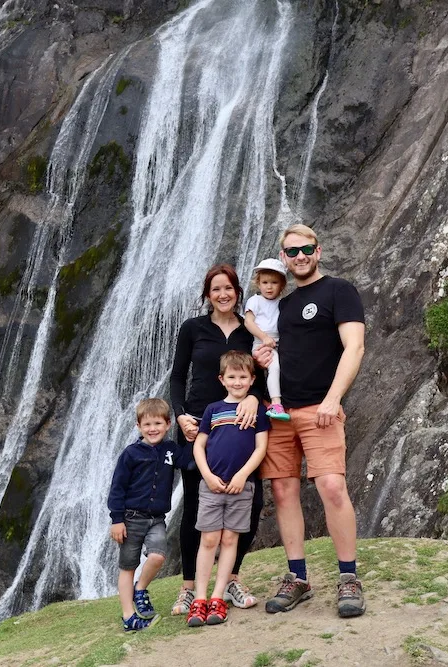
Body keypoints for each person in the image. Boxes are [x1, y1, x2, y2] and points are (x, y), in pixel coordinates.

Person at [253, 223, 367, 619]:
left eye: (306, 249)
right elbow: (273, 353)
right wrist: (261, 359)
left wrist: (334, 400)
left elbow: (355, 346)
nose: (299, 256)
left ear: (318, 251)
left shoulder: (339, 291)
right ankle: (297, 577)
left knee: (333, 487)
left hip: (322, 410)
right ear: (283, 258)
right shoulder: (280, 305)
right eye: (292, 251)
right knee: (283, 492)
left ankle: (349, 577)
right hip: (279, 411)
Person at [170, 264, 266, 615]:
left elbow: (263, 373)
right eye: (216, 289)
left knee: (250, 504)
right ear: (207, 295)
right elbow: (178, 376)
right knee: (195, 507)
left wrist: (255, 397)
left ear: (238, 292)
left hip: (242, 426)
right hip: (198, 425)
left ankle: (231, 580)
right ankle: (187, 586)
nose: (223, 294)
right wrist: (179, 414)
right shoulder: (192, 328)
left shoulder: (249, 330)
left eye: (228, 288)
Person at [186, 351, 270, 626]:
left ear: (252, 379)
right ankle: (199, 599)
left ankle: (218, 596)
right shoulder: (212, 409)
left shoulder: (257, 410)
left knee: (230, 540)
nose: (237, 382)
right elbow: (198, 446)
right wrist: (207, 475)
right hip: (211, 485)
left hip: (241, 487)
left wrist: (243, 476)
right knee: (209, 540)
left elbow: (261, 448)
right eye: (232, 377)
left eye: (243, 377)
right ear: (222, 379)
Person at [107, 398, 190, 632]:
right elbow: (117, 488)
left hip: (156, 519)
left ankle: (140, 589)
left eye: (157, 423)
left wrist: (200, 435)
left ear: (168, 424)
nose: (152, 429)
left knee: (157, 556)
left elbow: (189, 462)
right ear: (138, 426)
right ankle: (128, 616)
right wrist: (116, 520)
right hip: (130, 518)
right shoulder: (131, 454)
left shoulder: (171, 450)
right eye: (147, 425)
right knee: (128, 566)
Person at [243, 258, 291, 422]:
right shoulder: (255, 301)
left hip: (279, 343)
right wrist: (264, 337)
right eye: (265, 282)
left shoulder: (283, 303)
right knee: (275, 366)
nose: (269, 287)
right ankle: (276, 403)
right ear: (258, 283)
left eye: (274, 282)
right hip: (261, 344)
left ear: (282, 285)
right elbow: (248, 322)